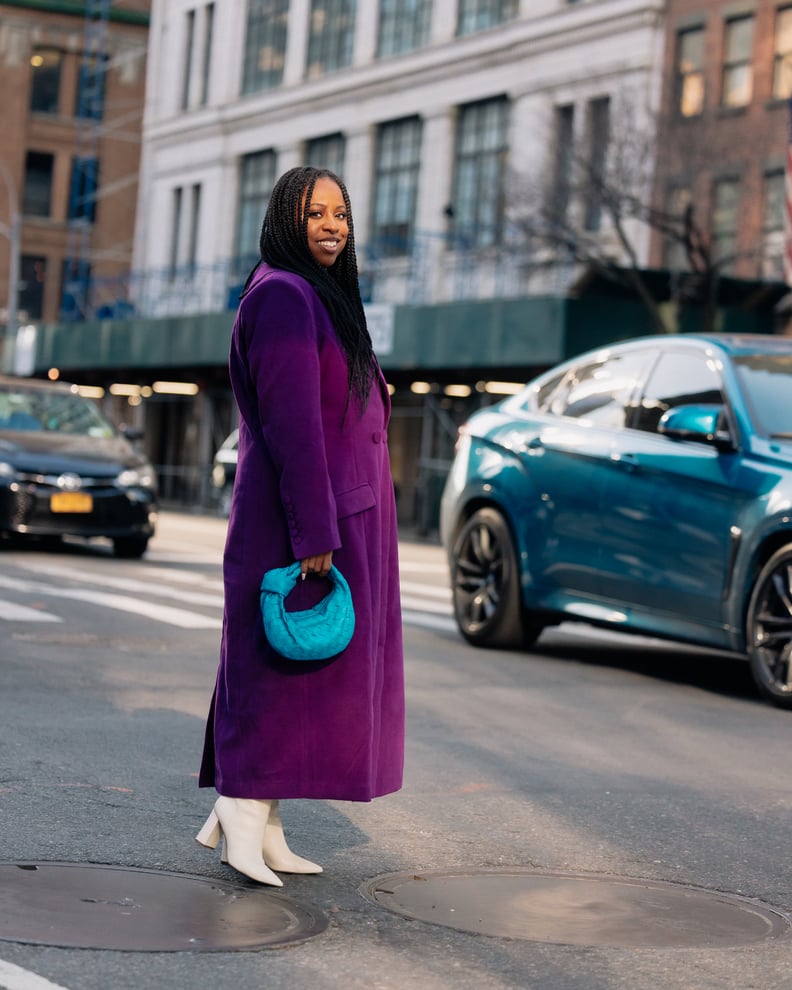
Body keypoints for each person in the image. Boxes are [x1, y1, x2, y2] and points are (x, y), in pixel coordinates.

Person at [196, 166, 405, 886]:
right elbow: (292, 428)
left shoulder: (314, 296)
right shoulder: (284, 296)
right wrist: (314, 531)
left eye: (341, 214)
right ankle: (241, 809)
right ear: (286, 217)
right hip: (300, 522)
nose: (332, 225)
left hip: (336, 514)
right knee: (279, 671)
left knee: (303, 673)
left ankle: (262, 819)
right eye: (315, 212)